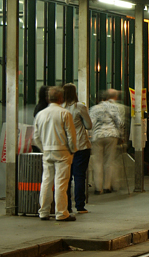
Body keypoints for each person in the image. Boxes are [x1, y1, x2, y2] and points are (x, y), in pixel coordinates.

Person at [33, 86, 78, 222]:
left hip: (47, 150)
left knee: (46, 181)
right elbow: (71, 135)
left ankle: (44, 211)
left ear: (48, 98)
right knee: (61, 183)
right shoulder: (64, 113)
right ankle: (61, 212)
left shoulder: (41, 114)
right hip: (63, 151)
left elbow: (36, 136)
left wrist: (44, 148)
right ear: (61, 98)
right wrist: (72, 150)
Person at [62, 83, 92, 214]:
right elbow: (89, 125)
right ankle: (80, 205)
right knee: (79, 176)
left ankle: (67, 205)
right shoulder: (80, 107)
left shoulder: (60, 108)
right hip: (81, 145)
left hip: (65, 147)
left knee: (66, 177)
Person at [89, 89, 123, 195]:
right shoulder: (114, 107)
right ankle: (107, 186)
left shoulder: (94, 108)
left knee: (97, 162)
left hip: (97, 135)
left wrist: (90, 136)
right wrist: (121, 134)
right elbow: (119, 122)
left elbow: (90, 124)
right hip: (111, 135)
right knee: (109, 161)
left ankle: (98, 188)